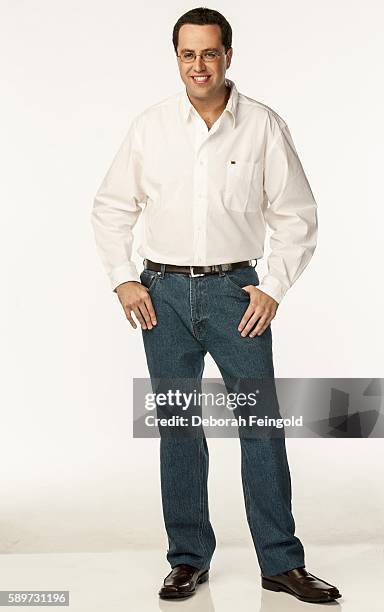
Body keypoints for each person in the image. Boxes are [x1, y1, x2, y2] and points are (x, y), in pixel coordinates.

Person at [90, 6, 342, 605]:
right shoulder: (150, 127)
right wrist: (125, 278)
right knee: (180, 427)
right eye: (187, 54)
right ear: (176, 58)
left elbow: (296, 215)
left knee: (260, 426)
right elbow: (111, 207)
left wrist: (273, 286)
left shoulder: (262, 126)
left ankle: (280, 563)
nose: (198, 65)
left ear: (228, 55)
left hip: (237, 294)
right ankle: (187, 560)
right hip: (163, 295)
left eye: (209, 53)